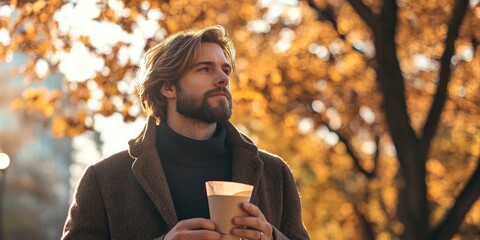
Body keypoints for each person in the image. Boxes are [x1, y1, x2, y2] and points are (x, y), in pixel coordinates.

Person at [62, 25, 310, 240]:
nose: (222, 78)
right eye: (205, 69)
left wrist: (270, 237)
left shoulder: (274, 173)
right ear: (168, 88)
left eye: (225, 69)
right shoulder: (104, 178)